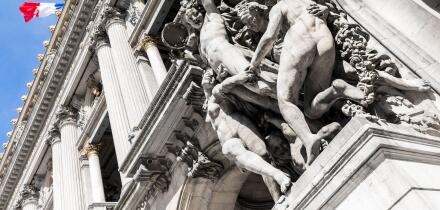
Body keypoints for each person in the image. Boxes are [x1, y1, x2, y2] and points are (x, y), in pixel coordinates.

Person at [249, 0, 365, 164]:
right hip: (325, 38)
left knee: (285, 101)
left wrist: (253, 64)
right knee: (311, 110)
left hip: (300, 40)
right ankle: (336, 89)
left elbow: (270, 36)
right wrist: (324, 9)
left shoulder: (280, 7)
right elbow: (326, 10)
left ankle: (308, 138)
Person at [202, 69, 292, 195]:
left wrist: (237, 78)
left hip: (238, 123)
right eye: (206, 76)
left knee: (262, 155)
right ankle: (277, 180)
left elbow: (224, 87)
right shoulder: (208, 105)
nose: (207, 78)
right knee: (229, 150)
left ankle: (279, 183)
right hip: (227, 139)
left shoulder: (217, 91)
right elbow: (208, 115)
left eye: (210, 75)